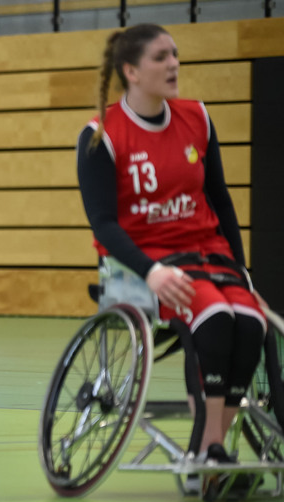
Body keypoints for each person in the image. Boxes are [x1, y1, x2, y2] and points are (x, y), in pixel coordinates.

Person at [77, 24, 267, 471]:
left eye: (175, 54)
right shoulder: (101, 135)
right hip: (149, 265)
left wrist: (243, 271)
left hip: (211, 256)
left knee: (252, 323)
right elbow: (103, 224)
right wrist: (151, 271)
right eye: (161, 57)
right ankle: (211, 448)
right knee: (215, 320)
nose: (174, 64)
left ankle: (215, 447)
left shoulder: (197, 118)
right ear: (132, 71)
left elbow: (220, 200)